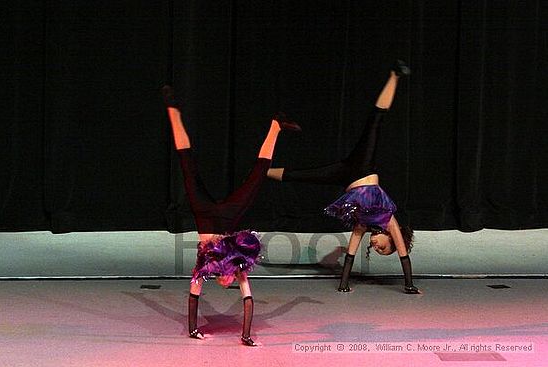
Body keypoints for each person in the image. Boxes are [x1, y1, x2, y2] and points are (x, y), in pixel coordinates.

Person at [162, 86, 301, 346]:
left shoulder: (204, 268)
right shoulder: (238, 266)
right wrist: (246, 336)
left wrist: (193, 330)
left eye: (224, 283)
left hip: (203, 214)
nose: (228, 285)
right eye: (231, 284)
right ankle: (275, 125)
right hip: (228, 217)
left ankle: (172, 111)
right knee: (257, 177)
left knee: (186, 164)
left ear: (219, 279)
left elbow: (193, 297)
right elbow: (248, 299)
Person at [267, 61, 420, 294]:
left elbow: (350, 252)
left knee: (302, 176)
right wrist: (409, 285)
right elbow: (404, 255)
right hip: (363, 168)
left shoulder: (362, 223)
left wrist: (344, 284)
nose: (377, 249)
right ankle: (395, 76)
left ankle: (259, 171)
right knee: (375, 122)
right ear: (389, 237)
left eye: (378, 252)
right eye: (383, 249)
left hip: (346, 177)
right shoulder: (389, 220)